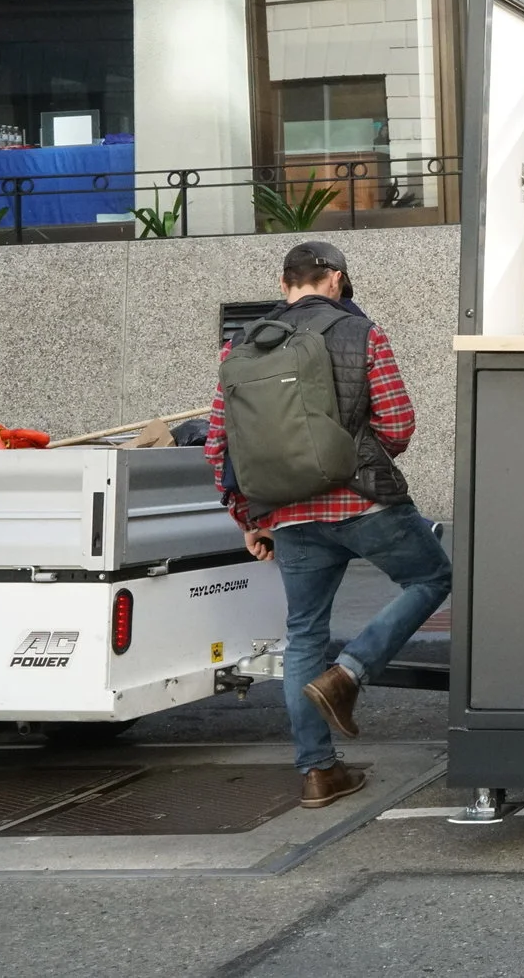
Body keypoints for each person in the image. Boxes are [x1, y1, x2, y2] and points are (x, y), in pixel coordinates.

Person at [205, 240, 451, 810]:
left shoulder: (239, 347)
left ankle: (318, 773)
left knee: (304, 634)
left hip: (286, 515)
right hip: (363, 505)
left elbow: (220, 445)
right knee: (433, 578)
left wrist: (250, 517)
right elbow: (399, 423)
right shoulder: (361, 333)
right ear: (335, 280)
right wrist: (355, 458)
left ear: (285, 282)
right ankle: (350, 673)